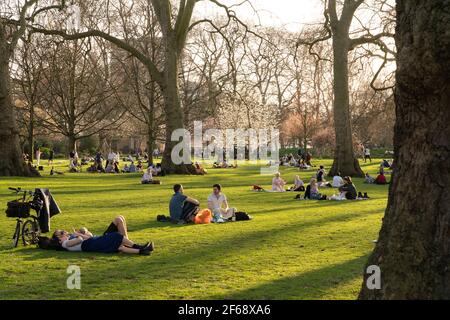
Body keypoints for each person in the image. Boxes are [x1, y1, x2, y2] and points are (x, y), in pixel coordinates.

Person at [52, 216, 154, 255]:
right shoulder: (65, 243)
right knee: (117, 237)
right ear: (59, 239)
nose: (65, 232)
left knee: (120, 219)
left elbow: (90, 236)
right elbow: (78, 240)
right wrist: (77, 234)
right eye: (62, 233)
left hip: (96, 241)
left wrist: (84, 231)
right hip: (95, 244)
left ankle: (143, 251)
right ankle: (140, 248)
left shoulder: (69, 238)